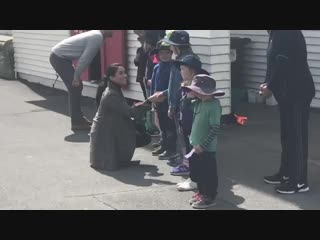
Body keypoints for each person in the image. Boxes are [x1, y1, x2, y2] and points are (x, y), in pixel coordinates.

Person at [260, 30, 315, 194]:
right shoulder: (275, 33)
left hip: (298, 91)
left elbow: (282, 61)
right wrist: (267, 83)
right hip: (285, 92)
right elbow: (273, 61)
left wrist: (270, 85)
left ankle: (299, 181)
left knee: (297, 137)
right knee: (287, 134)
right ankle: (285, 173)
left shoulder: (285, 31)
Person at [90, 63, 150, 171]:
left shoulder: (113, 89)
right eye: (121, 73)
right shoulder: (111, 94)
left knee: (140, 130)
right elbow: (130, 113)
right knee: (142, 136)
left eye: (125, 72)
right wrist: (148, 103)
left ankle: (120, 159)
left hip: (109, 130)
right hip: (105, 135)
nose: (125, 75)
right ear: (111, 77)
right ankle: (119, 160)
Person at [50, 30, 113, 132]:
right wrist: (76, 77)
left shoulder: (97, 36)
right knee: (75, 87)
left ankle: (79, 119)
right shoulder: (97, 37)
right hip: (59, 58)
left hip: (61, 58)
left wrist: (76, 77)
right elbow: (85, 59)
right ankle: (76, 123)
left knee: (77, 87)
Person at [182, 74, 225, 209]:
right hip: (195, 145)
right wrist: (188, 98)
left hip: (205, 148)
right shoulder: (198, 103)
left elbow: (215, 128)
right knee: (199, 172)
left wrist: (203, 145)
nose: (196, 93)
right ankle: (201, 192)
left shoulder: (213, 106)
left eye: (198, 91)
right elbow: (184, 107)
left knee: (208, 174)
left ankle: (209, 196)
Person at [170, 55, 210, 179]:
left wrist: (188, 98)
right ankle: (192, 173)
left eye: (182, 69)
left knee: (196, 152)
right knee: (187, 147)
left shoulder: (197, 87)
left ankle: (196, 177)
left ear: (192, 71)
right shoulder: (184, 84)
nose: (180, 71)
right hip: (185, 123)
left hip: (195, 126)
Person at [149, 42, 174, 157]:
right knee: (162, 125)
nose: (164, 55)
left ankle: (170, 148)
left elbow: (173, 85)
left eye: (167, 53)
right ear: (158, 54)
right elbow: (153, 84)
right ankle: (163, 144)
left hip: (167, 101)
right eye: (162, 53)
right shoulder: (156, 67)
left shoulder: (173, 67)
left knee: (170, 126)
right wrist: (152, 100)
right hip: (158, 101)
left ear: (171, 53)